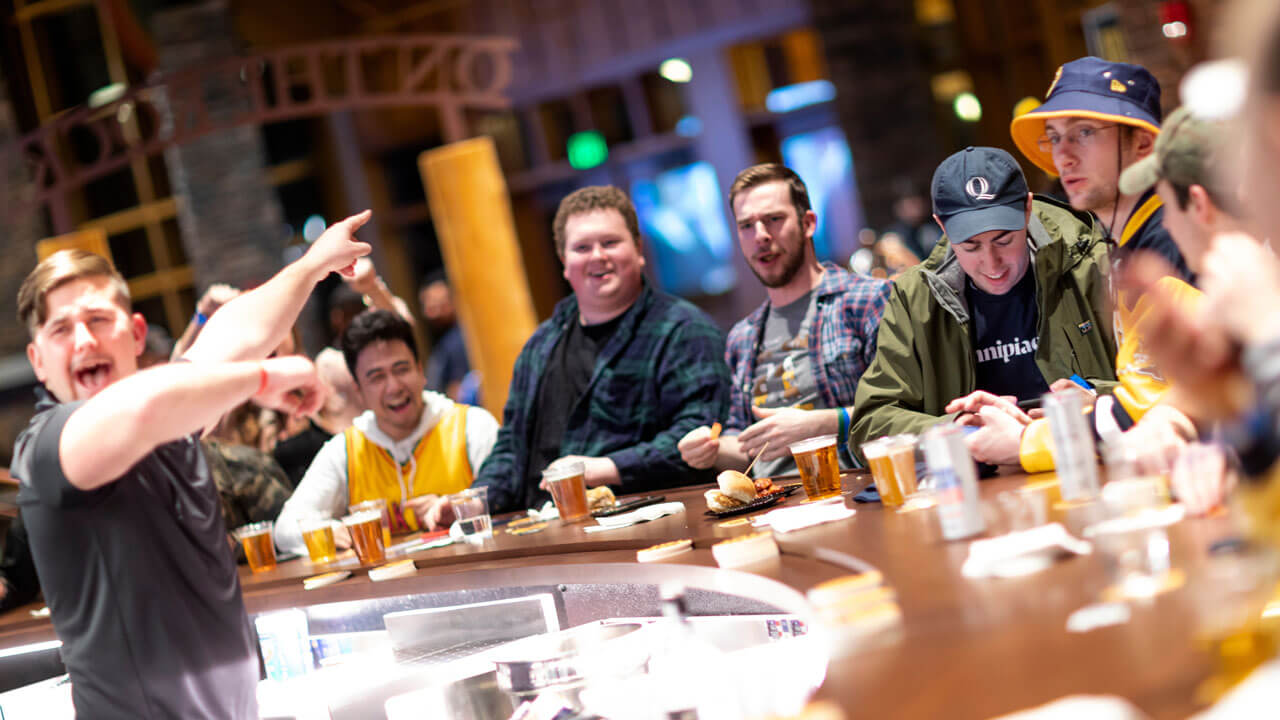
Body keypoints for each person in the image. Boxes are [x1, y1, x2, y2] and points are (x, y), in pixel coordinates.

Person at [10, 210, 371, 718]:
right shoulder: (46, 442)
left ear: (136, 334)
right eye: (61, 330)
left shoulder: (175, 410)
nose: (85, 341)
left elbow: (235, 331)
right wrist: (263, 379)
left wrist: (312, 264)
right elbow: (140, 408)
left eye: (97, 320)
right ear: (39, 360)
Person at [440, 186, 730, 518]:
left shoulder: (685, 330)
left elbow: (700, 435)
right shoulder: (541, 344)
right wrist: (471, 503)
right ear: (564, 262)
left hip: (646, 522)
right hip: (543, 529)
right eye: (581, 247)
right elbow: (512, 447)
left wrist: (603, 467)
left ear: (637, 249)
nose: (597, 256)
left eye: (610, 242)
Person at [849, 147, 1117, 458]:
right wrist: (960, 430)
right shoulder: (916, 297)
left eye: (1004, 240)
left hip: (1088, 461)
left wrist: (1098, 400)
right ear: (941, 226)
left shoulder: (1090, 265)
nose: (993, 264)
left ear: (1027, 210)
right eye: (970, 246)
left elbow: (1162, 382)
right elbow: (870, 423)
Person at [1009, 56, 1196, 435]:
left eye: (1084, 132)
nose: (1062, 155)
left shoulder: (1169, 241)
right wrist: (1096, 399)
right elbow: (1152, 383)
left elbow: (1164, 403)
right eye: (1055, 136)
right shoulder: (1129, 240)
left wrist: (1026, 439)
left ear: (1143, 143)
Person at [678, 164, 891, 477]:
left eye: (773, 220)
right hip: (769, 503)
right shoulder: (743, 336)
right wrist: (709, 449)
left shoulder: (867, 300)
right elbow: (745, 445)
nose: (760, 236)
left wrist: (823, 425)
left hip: (852, 490)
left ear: (808, 223)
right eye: (746, 226)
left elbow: (904, 409)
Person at [274, 309, 498, 555]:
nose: (393, 387)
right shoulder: (345, 451)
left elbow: (509, 497)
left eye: (401, 369)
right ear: (358, 389)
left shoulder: (471, 426)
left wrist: (458, 509)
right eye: (377, 377)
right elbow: (285, 529)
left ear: (420, 370)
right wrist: (330, 531)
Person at [419, 270, 472, 401]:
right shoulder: (445, 342)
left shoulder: (461, 339)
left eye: (438, 305)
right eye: (428, 307)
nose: (430, 313)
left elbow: (459, 390)